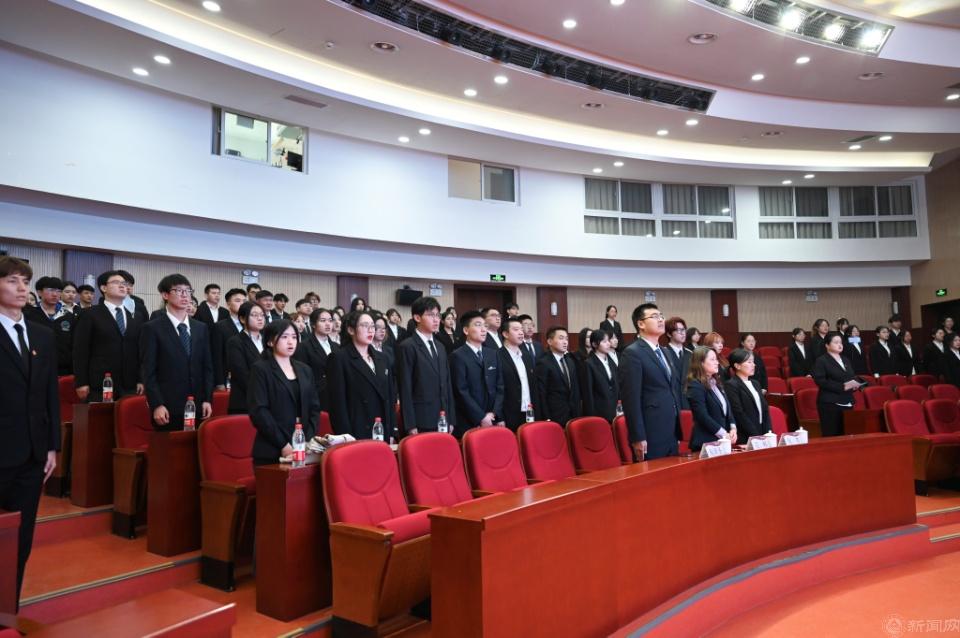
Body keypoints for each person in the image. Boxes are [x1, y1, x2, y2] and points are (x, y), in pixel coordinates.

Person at [0, 257, 60, 606]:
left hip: (33, 454)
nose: (22, 288)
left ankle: (6, 615)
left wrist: (52, 446)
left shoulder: (42, 334)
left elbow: (49, 394)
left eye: (25, 281)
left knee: (20, 541)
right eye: (12, 280)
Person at [139, 274, 213, 431]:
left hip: (197, 404)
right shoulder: (152, 328)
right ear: (165, 295)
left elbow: (207, 367)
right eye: (178, 290)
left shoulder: (201, 328)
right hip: (167, 405)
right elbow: (148, 371)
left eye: (188, 291)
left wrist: (207, 399)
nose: (185, 295)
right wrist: (157, 404)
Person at [247, 320, 319, 465]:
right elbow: (259, 411)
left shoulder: (305, 370)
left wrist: (306, 441)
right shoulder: (261, 369)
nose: (291, 342)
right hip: (272, 448)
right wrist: (283, 444)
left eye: (294, 337)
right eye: (284, 337)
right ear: (270, 342)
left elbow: (314, 408)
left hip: (303, 447)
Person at [619, 303, 682, 460]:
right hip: (650, 432)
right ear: (641, 324)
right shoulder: (632, 353)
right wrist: (638, 437)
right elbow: (631, 400)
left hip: (671, 430)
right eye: (654, 316)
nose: (660, 320)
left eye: (661, 316)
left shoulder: (665, 352)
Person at [72, 270, 143, 402]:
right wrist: (81, 382)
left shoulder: (137, 316)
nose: (122, 286)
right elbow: (80, 351)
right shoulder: (89, 314)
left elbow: (140, 351)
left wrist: (141, 379)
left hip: (130, 384)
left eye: (124, 283)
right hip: (100, 383)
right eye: (116, 282)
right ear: (103, 288)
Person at [326, 310, 397, 440]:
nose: (370, 330)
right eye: (365, 326)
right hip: (356, 430)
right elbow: (337, 404)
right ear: (351, 330)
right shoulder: (339, 358)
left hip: (382, 428)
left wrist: (392, 430)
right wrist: (345, 436)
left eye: (372, 326)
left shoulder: (383, 358)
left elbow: (390, 396)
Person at [397, 297, 456, 434]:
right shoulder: (407, 346)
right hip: (421, 420)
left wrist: (451, 419)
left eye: (437, 315)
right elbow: (405, 388)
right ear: (417, 317)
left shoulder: (440, 346)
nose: (436, 320)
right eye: (430, 315)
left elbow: (447, 384)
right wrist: (410, 425)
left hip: (443, 419)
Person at [450, 311, 504, 432]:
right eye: (478, 325)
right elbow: (461, 391)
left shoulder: (493, 354)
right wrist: (481, 417)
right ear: (466, 330)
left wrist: (494, 413)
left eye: (485, 326)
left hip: (493, 418)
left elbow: (500, 386)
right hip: (470, 421)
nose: (483, 329)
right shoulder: (457, 356)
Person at [685, 346, 736, 452]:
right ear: (701, 363)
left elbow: (727, 409)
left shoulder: (716, 382)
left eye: (716, 359)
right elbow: (702, 415)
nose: (717, 362)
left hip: (723, 441)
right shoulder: (695, 385)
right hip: (706, 442)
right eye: (712, 359)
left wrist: (733, 428)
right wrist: (723, 433)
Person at [25, 276, 76, 375]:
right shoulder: (29, 314)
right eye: (51, 290)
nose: (55, 294)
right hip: (36, 368)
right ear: (39, 292)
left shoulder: (69, 316)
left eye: (59, 291)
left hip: (63, 370)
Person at [812, 331, 860, 437]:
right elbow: (820, 380)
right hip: (830, 403)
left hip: (847, 401)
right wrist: (842, 387)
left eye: (841, 342)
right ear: (827, 345)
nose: (840, 345)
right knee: (833, 435)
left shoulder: (845, 359)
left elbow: (851, 376)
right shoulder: (822, 360)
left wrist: (855, 385)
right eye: (836, 342)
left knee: (848, 435)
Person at [293, 307, 339, 412]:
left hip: (335, 396)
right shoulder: (303, 347)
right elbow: (302, 378)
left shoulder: (336, 347)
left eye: (330, 320)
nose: (328, 324)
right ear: (313, 324)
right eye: (323, 321)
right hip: (315, 398)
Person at [498, 317, 538, 430]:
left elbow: (534, 386)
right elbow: (496, 389)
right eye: (516, 330)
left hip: (529, 411)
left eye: (521, 329)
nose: (521, 332)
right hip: (509, 414)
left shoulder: (527, 356)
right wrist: (499, 416)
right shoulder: (497, 356)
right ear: (505, 334)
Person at [535, 326, 581, 426]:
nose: (565, 342)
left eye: (566, 339)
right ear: (550, 341)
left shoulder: (570, 361)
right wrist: (546, 417)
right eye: (561, 338)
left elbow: (575, 390)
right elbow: (541, 393)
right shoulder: (544, 363)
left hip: (572, 415)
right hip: (554, 415)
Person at [225, 302, 265, 414]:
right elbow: (241, 374)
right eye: (254, 315)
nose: (260, 318)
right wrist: (263, 392)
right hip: (244, 402)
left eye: (262, 315)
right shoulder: (235, 342)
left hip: (267, 402)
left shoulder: (268, 341)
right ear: (242, 319)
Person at [725, 348, 771, 444]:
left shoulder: (755, 383)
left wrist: (768, 433)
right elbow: (739, 413)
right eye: (749, 362)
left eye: (753, 362)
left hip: (762, 433)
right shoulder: (731, 385)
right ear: (737, 366)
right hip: (745, 436)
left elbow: (765, 409)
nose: (753, 365)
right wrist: (756, 435)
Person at [581, 328, 619, 421]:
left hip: (613, 409)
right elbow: (588, 393)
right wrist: (591, 416)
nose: (608, 344)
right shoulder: (589, 364)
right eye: (604, 341)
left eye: (608, 341)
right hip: (598, 412)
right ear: (594, 344)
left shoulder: (611, 362)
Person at [212, 288, 245, 390]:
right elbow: (217, 356)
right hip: (228, 378)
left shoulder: (252, 325)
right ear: (228, 304)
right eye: (237, 301)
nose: (242, 304)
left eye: (244, 301)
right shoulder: (220, 326)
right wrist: (219, 381)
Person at [663, 317, 691, 391]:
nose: (682, 333)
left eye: (683, 329)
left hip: (688, 394)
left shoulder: (690, 353)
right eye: (678, 330)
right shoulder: (664, 353)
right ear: (669, 334)